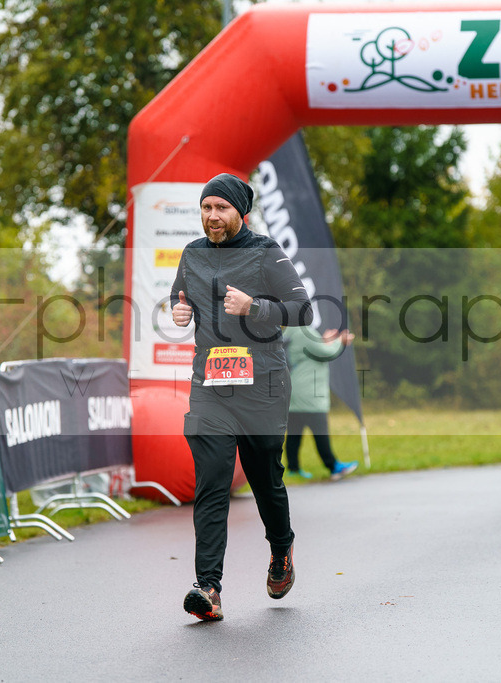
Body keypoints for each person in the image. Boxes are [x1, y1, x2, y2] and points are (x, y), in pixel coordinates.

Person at [171, 173, 312, 621]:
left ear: (241, 212)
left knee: (264, 479)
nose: (212, 216)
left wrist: (255, 307)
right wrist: (178, 310)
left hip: (263, 386)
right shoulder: (192, 254)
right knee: (212, 482)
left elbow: (303, 310)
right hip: (211, 386)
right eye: (206, 207)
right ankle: (208, 588)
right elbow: (179, 296)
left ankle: (281, 548)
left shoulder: (266, 252)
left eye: (221, 208)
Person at [282, 325, 358, 480]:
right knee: (320, 431)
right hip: (309, 392)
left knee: (294, 433)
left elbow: (310, 349)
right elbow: (326, 353)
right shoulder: (304, 331)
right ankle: (333, 466)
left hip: (294, 390)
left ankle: (293, 469)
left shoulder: (290, 330)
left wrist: (325, 340)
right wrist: (340, 341)